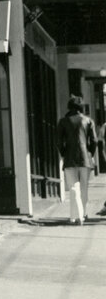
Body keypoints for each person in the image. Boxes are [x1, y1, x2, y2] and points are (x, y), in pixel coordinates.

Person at [56, 95, 98, 225]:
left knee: (73, 187)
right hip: (85, 158)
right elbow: (94, 141)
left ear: (69, 107)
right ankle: (82, 214)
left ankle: (76, 216)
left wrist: (64, 153)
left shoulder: (63, 121)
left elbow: (58, 141)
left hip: (69, 157)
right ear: (81, 107)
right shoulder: (88, 121)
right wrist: (90, 154)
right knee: (84, 187)